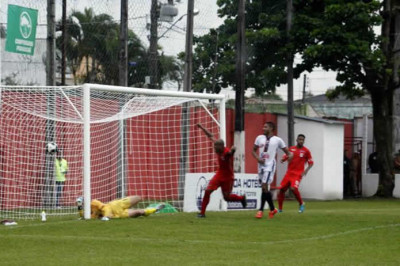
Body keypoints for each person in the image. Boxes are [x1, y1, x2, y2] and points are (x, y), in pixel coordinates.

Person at [196, 123, 247, 218]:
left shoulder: (226, 152)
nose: (214, 148)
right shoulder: (218, 146)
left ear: (221, 147)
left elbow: (230, 153)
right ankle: (202, 213)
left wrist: (233, 150)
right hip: (219, 174)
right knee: (208, 191)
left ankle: (241, 198)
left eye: (216, 147)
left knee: (227, 198)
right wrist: (202, 127)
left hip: (228, 177)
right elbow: (210, 136)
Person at [252, 121, 292, 219]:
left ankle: (260, 211)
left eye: (265, 127)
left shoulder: (278, 140)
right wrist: (258, 158)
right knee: (264, 188)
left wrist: (285, 158)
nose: (263, 128)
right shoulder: (259, 138)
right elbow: (253, 150)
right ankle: (272, 209)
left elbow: (289, 153)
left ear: (271, 128)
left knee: (265, 186)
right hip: (261, 165)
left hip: (269, 165)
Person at [277, 134, 313, 213]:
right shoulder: (291, 149)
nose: (301, 141)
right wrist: (283, 159)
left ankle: (301, 203)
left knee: (293, 188)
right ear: (296, 140)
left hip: (297, 174)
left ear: (304, 141)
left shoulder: (306, 151)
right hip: (289, 173)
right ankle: (280, 209)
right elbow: (285, 156)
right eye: (299, 139)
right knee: (281, 190)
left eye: (302, 140)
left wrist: (305, 171)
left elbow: (311, 163)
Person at [90, 196, 165, 220]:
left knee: (138, 198)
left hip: (116, 205)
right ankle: (155, 209)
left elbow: (105, 207)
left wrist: (106, 215)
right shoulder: (87, 215)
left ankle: (125, 202)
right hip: (118, 215)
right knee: (138, 212)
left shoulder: (93, 203)